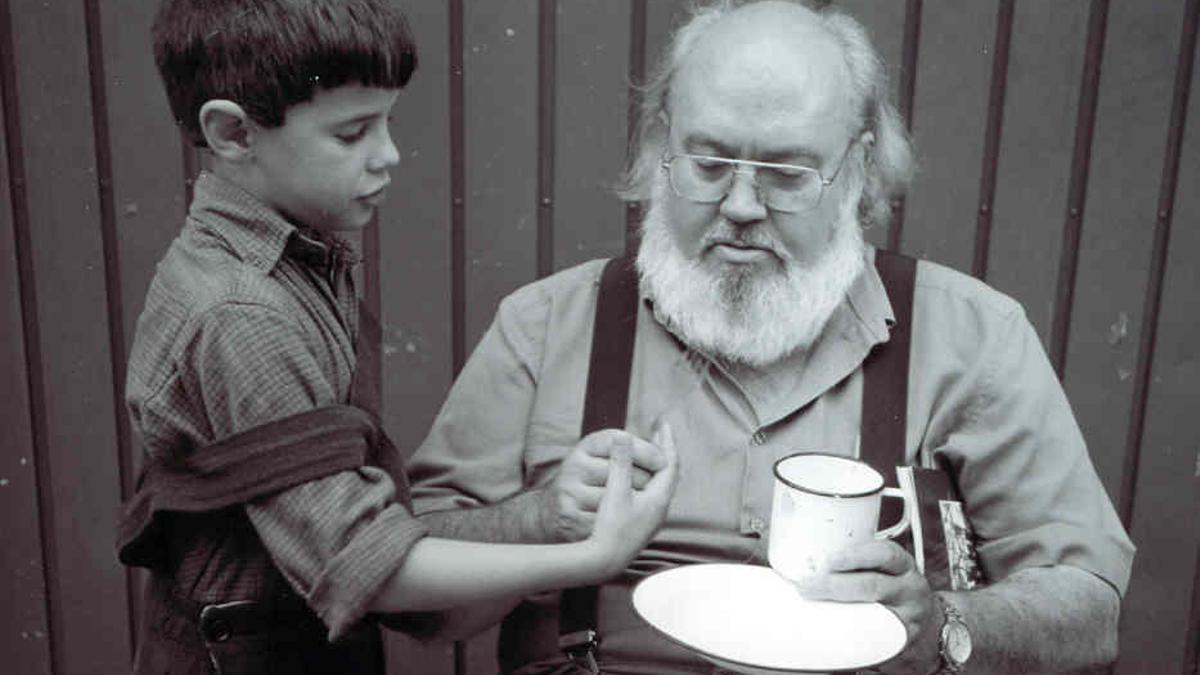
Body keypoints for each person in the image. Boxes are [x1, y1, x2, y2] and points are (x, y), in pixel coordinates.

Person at [406, 1, 1136, 673]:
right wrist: (535, 520)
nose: (743, 205)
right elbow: (417, 601)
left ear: (859, 164)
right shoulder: (546, 325)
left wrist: (942, 626)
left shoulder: (974, 334)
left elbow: (1090, 611)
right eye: (710, 163)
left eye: (787, 173)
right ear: (663, 143)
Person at [115, 1, 678, 673]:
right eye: (353, 132)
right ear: (234, 132)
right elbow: (366, 565)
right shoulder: (241, 313)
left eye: (387, 121)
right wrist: (591, 558)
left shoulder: (293, 257)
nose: (389, 154)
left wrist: (545, 513)